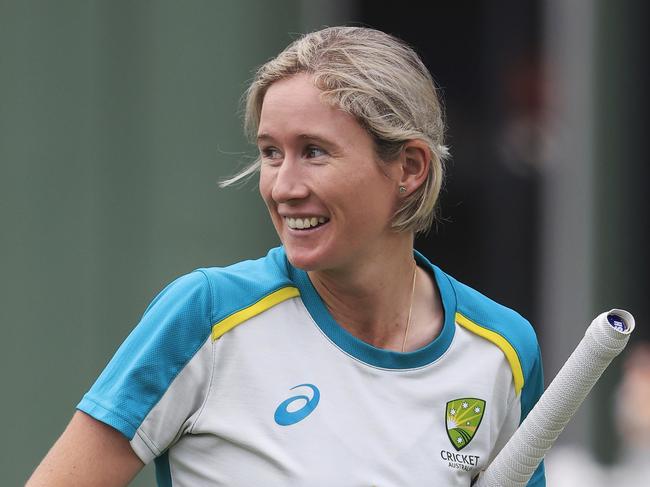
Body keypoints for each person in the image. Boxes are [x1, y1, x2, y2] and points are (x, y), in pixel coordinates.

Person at [27, 26, 545, 486]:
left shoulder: (501, 349)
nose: (283, 187)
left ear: (409, 167)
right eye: (271, 153)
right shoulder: (205, 314)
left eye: (314, 151)